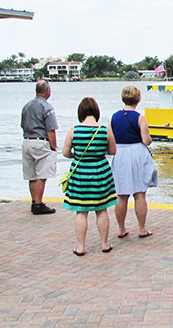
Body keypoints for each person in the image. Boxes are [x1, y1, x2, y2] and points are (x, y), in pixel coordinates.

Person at [62, 97, 117, 256]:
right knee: (101, 210)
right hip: (100, 171)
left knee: (81, 210)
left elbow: (66, 153)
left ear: (81, 112)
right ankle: (105, 244)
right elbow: (112, 151)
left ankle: (80, 247)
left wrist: (78, 156)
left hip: (80, 173)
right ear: (96, 112)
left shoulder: (74, 130)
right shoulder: (105, 130)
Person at [110, 85, 157, 239]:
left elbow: (109, 138)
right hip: (137, 153)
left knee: (121, 194)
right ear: (138, 99)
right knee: (140, 193)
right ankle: (142, 228)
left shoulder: (113, 117)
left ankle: (121, 228)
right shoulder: (139, 117)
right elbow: (146, 140)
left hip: (121, 153)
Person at [20, 80, 58, 215]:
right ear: (47, 91)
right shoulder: (47, 108)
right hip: (40, 141)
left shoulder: (26, 106)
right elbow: (51, 129)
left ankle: (33, 201)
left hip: (27, 141)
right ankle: (38, 203)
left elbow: (22, 124)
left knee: (31, 174)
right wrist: (53, 147)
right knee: (42, 174)